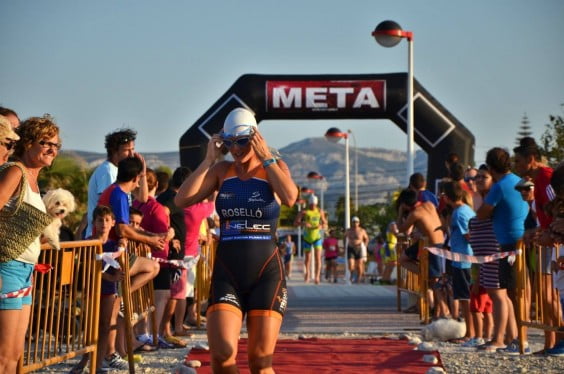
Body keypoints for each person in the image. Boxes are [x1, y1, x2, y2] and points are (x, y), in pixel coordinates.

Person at [174, 107, 298, 373]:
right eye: (229, 143)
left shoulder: (274, 168)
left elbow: (289, 197)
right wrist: (208, 160)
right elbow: (182, 199)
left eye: (242, 141)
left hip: (266, 274)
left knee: (260, 362)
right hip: (227, 273)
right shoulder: (222, 170)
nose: (236, 149)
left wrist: (266, 158)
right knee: (222, 357)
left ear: (255, 137)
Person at [0, 115, 60, 372]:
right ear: (27, 143)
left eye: (56, 145)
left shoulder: (33, 180)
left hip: (24, 270)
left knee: (15, 354)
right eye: (45, 142)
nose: (51, 149)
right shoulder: (16, 171)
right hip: (7, 268)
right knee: (4, 356)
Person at [513, 136, 563, 355]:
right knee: (545, 295)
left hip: (555, 242)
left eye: (518, 161)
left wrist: (550, 232)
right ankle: (549, 343)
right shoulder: (536, 181)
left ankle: (559, 340)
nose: (516, 166)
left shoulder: (546, 177)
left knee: (550, 294)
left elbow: (557, 208)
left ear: (530, 159)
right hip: (547, 239)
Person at [476, 147, 528, 354]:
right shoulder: (519, 180)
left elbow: (481, 214)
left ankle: (502, 339)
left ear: (490, 167)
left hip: (507, 243)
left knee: (505, 293)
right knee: (512, 294)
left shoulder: (499, 186)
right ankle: (514, 339)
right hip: (523, 239)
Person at [396, 188, 446, 318]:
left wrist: (400, 213)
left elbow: (401, 229)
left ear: (405, 204)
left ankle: (442, 311)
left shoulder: (415, 213)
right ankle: (424, 272)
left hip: (434, 245)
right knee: (402, 259)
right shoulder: (429, 204)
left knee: (434, 281)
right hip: (433, 241)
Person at [85, 128, 139, 238]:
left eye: (132, 149)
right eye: (127, 150)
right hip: (103, 240)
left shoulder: (117, 170)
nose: (131, 154)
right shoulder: (108, 172)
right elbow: (105, 211)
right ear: (114, 151)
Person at [443, 181, 476, 342]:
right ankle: (470, 332)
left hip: (464, 259)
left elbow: (469, 235)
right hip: (462, 258)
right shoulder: (465, 210)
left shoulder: (460, 213)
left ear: (447, 197)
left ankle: (470, 333)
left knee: (465, 298)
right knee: (464, 297)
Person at [294, 194, 327, 284]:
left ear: (316, 204)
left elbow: (325, 223)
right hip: (307, 237)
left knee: (318, 258)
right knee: (307, 258)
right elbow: (295, 223)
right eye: (311, 204)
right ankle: (307, 274)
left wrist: (321, 226)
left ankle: (317, 277)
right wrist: (303, 223)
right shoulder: (304, 212)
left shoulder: (320, 211)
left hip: (317, 237)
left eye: (314, 205)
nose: (313, 206)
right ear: (309, 203)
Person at [345, 216, 369, 283]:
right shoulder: (349, 230)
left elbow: (366, 238)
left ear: (359, 223)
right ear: (352, 223)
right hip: (351, 248)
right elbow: (344, 237)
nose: (355, 223)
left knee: (359, 265)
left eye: (356, 222)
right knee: (351, 264)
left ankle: (359, 278)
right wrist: (345, 246)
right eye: (354, 222)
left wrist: (365, 246)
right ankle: (352, 274)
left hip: (359, 248)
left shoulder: (362, 231)